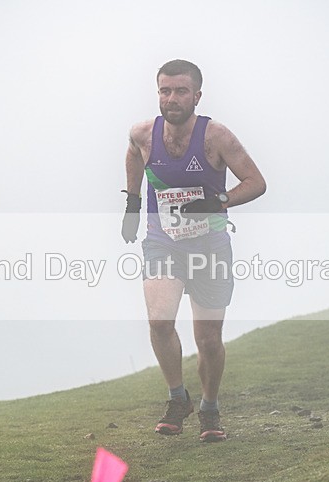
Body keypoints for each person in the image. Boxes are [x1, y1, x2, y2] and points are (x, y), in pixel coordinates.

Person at [122, 59, 266, 442]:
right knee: (159, 322)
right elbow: (134, 154)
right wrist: (132, 205)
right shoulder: (143, 134)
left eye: (181, 91)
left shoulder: (215, 137)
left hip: (210, 248)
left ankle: (209, 407)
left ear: (197, 96)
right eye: (165, 90)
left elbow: (256, 182)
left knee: (208, 340)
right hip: (162, 241)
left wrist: (219, 200)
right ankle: (177, 398)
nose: (172, 98)